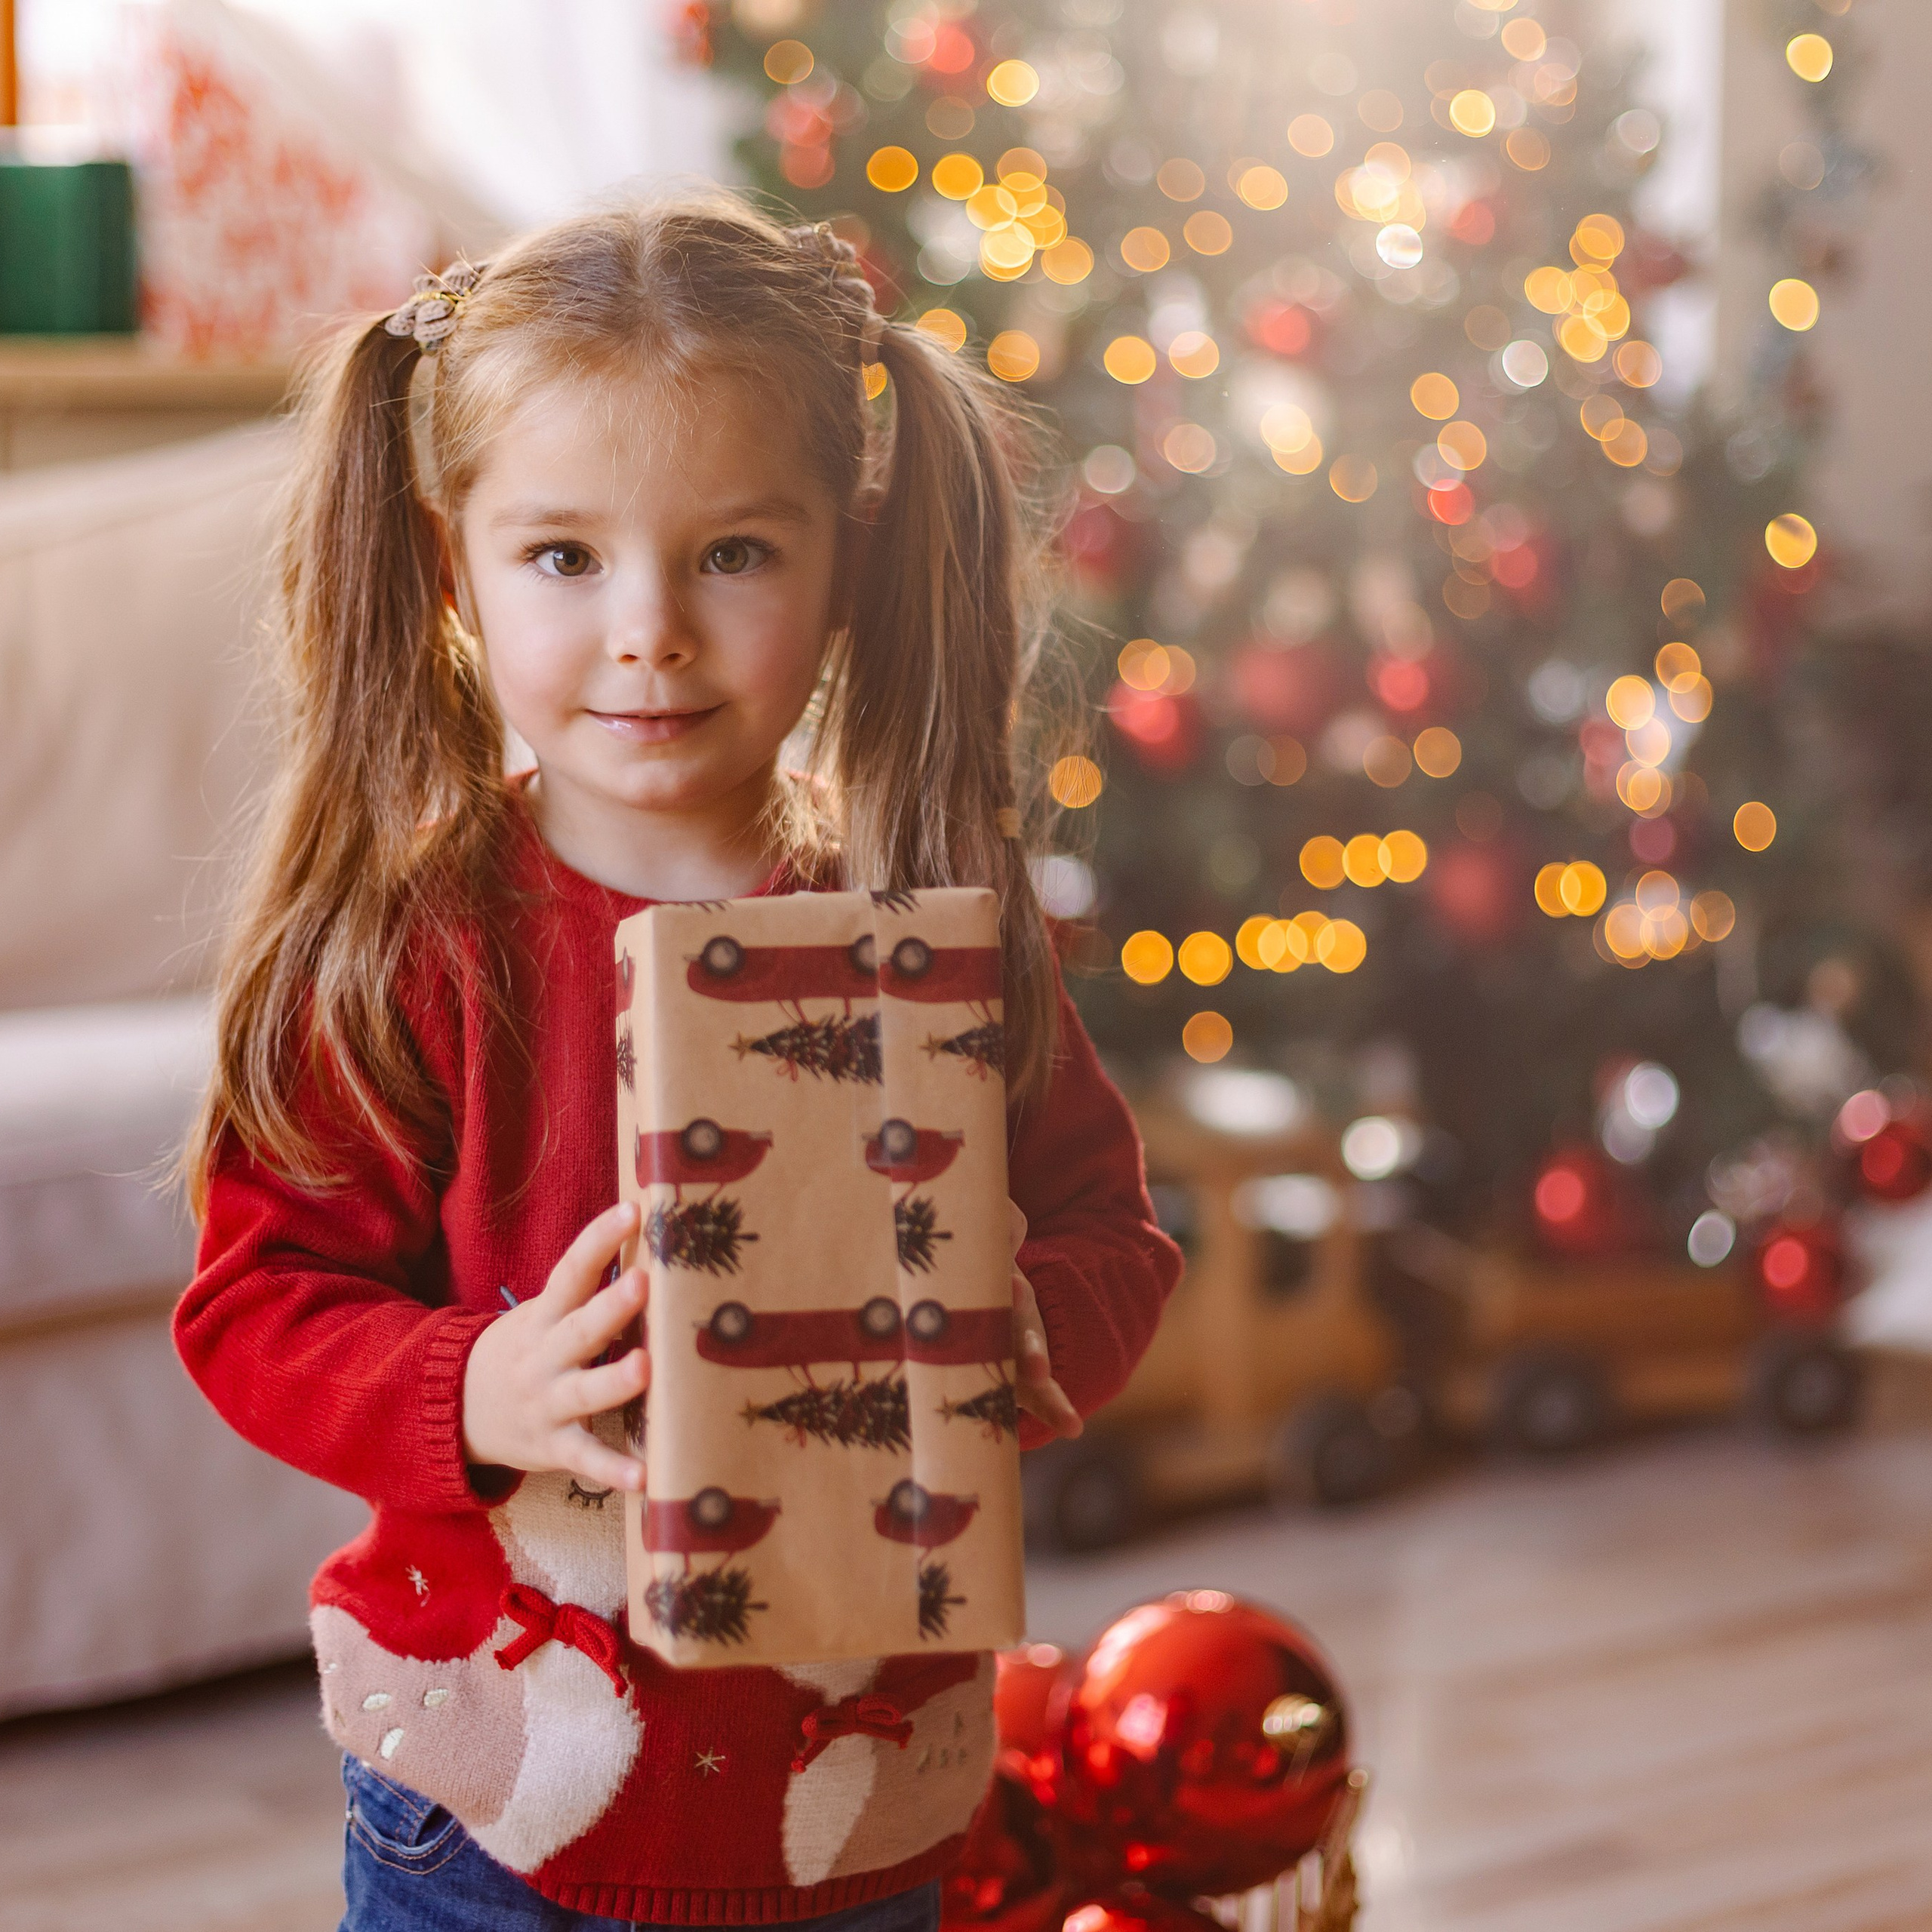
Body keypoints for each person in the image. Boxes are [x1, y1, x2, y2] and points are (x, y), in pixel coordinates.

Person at [177, 194, 1180, 1932]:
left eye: (732, 553)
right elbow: (255, 1301)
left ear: (845, 559)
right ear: (454, 567)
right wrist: (472, 1389)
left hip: (854, 1814)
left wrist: (1028, 1320)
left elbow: (1113, 1232)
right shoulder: (411, 945)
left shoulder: (932, 933)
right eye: (564, 556)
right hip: (491, 1813)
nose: (647, 626)